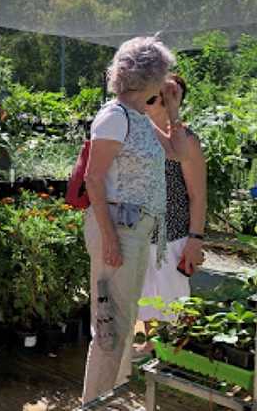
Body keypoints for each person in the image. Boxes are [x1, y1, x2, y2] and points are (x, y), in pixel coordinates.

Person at [81, 36, 179, 404]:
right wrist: (109, 239)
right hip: (118, 228)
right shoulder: (114, 116)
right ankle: (94, 402)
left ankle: (108, 397)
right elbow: (93, 179)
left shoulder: (138, 118)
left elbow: (177, 151)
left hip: (132, 230)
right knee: (110, 326)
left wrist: (172, 109)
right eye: (164, 74)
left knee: (123, 322)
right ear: (151, 75)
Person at [137, 74, 207, 322]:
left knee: (172, 309)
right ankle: (142, 352)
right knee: (139, 305)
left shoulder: (186, 141)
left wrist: (195, 239)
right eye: (158, 93)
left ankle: (167, 354)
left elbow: (198, 195)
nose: (161, 99)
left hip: (172, 237)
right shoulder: (136, 131)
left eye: (170, 95)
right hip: (137, 234)